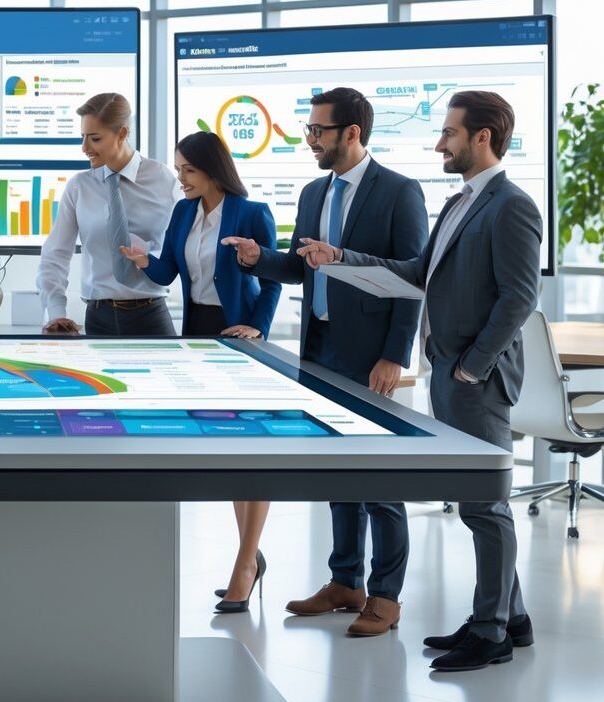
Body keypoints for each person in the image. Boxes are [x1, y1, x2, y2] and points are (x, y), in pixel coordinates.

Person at [296, 91, 538, 671]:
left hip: (475, 376)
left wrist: (474, 364)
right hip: (451, 372)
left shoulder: (511, 205)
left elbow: (519, 297)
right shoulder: (460, 203)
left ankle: (491, 632)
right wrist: (341, 257)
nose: (439, 144)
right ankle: (514, 619)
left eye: (450, 134)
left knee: (485, 505)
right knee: (480, 501)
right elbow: (416, 272)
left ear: (482, 137)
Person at [223, 87, 427, 636]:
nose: (308, 138)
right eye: (309, 129)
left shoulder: (400, 192)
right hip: (320, 349)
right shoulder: (314, 191)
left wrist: (394, 354)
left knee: (381, 480)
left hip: (370, 355)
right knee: (339, 471)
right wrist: (259, 260)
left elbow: (412, 280)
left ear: (352, 133)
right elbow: (301, 267)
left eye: (318, 130)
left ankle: (385, 596)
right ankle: (345, 582)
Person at [120, 130, 280, 614]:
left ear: (212, 169)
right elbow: (169, 272)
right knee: (232, 451)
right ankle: (249, 556)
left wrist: (257, 326)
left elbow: (270, 275)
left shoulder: (251, 213)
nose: (181, 178)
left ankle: (245, 564)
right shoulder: (183, 212)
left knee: (253, 452)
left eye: (188, 170)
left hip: (240, 335)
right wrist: (143, 261)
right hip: (199, 337)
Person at [37, 92, 181, 336]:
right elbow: (55, 253)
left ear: (122, 134)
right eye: (83, 137)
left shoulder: (163, 180)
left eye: (94, 138)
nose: (84, 148)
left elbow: (186, 246)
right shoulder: (79, 187)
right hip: (98, 318)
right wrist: (56, 310)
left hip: (152, 316)